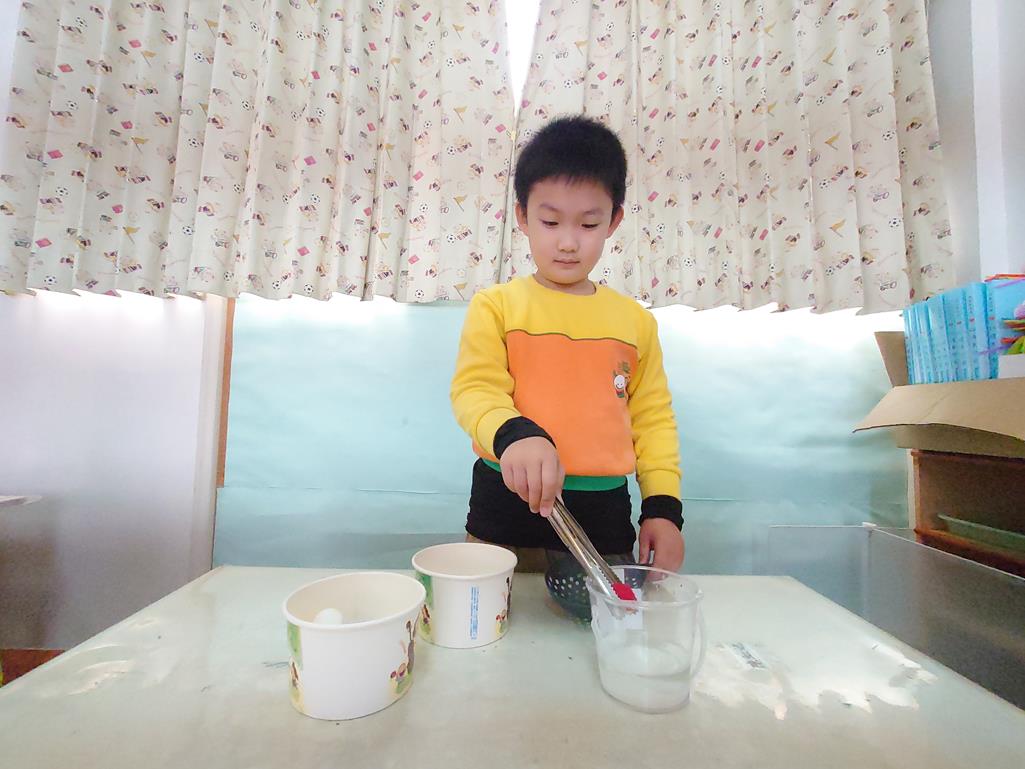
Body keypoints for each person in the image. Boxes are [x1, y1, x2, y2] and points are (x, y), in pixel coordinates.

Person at [450, 115, 684, 575]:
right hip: (503, 506)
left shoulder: (635, 322)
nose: (568, 242)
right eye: (551, 221)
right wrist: (515, 434)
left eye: (589, 224)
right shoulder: (496, 306)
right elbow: (475, 391)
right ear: (522, 216)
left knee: (598, 618)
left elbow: (653, 420)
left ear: (614, 221)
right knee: (493, 614)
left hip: (602, 519)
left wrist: (662, 508)